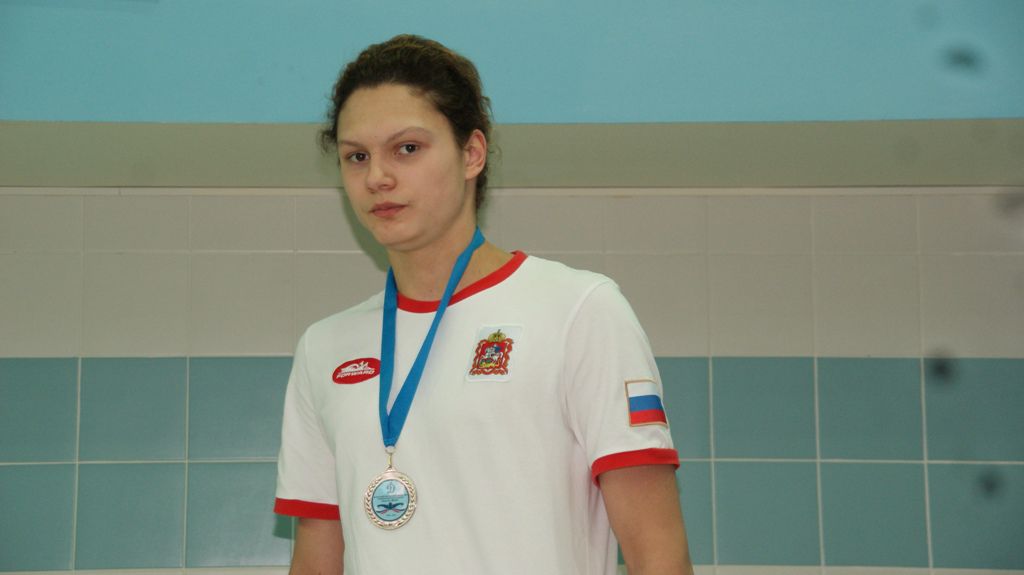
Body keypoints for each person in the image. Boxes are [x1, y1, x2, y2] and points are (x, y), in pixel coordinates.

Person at [274, 34, 694, 575]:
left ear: (472, 153)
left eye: (407, 148)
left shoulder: (579, 310)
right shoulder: (324, 348)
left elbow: (657, 554)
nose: (377, 177)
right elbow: (316, 560)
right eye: (357, 156)